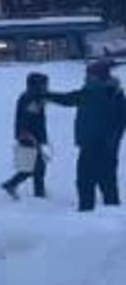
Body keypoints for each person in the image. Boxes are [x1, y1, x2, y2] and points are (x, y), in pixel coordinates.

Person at [46, 60, 125, 212]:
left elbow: (121, 121)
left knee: (88, 181)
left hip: (97, 145)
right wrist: (47, 95)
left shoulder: (101, 93)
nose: (86, 77)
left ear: (97, 76)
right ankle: (110, 215)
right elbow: (69, 99)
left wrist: (112, 141)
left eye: (89, 74)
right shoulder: (104, 92)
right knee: (105, 182)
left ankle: (88, 214)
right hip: (98, 145)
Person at [1, 72, 52, 200]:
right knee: (34, 167)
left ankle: (35, 192)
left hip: (31, 136)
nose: (46, 86)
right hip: (28, 137)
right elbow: (26, 118)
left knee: (34, 167)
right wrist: (27, 134)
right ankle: (35, 194)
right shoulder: (30, 98)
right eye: (44, 84)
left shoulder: (34, 97)